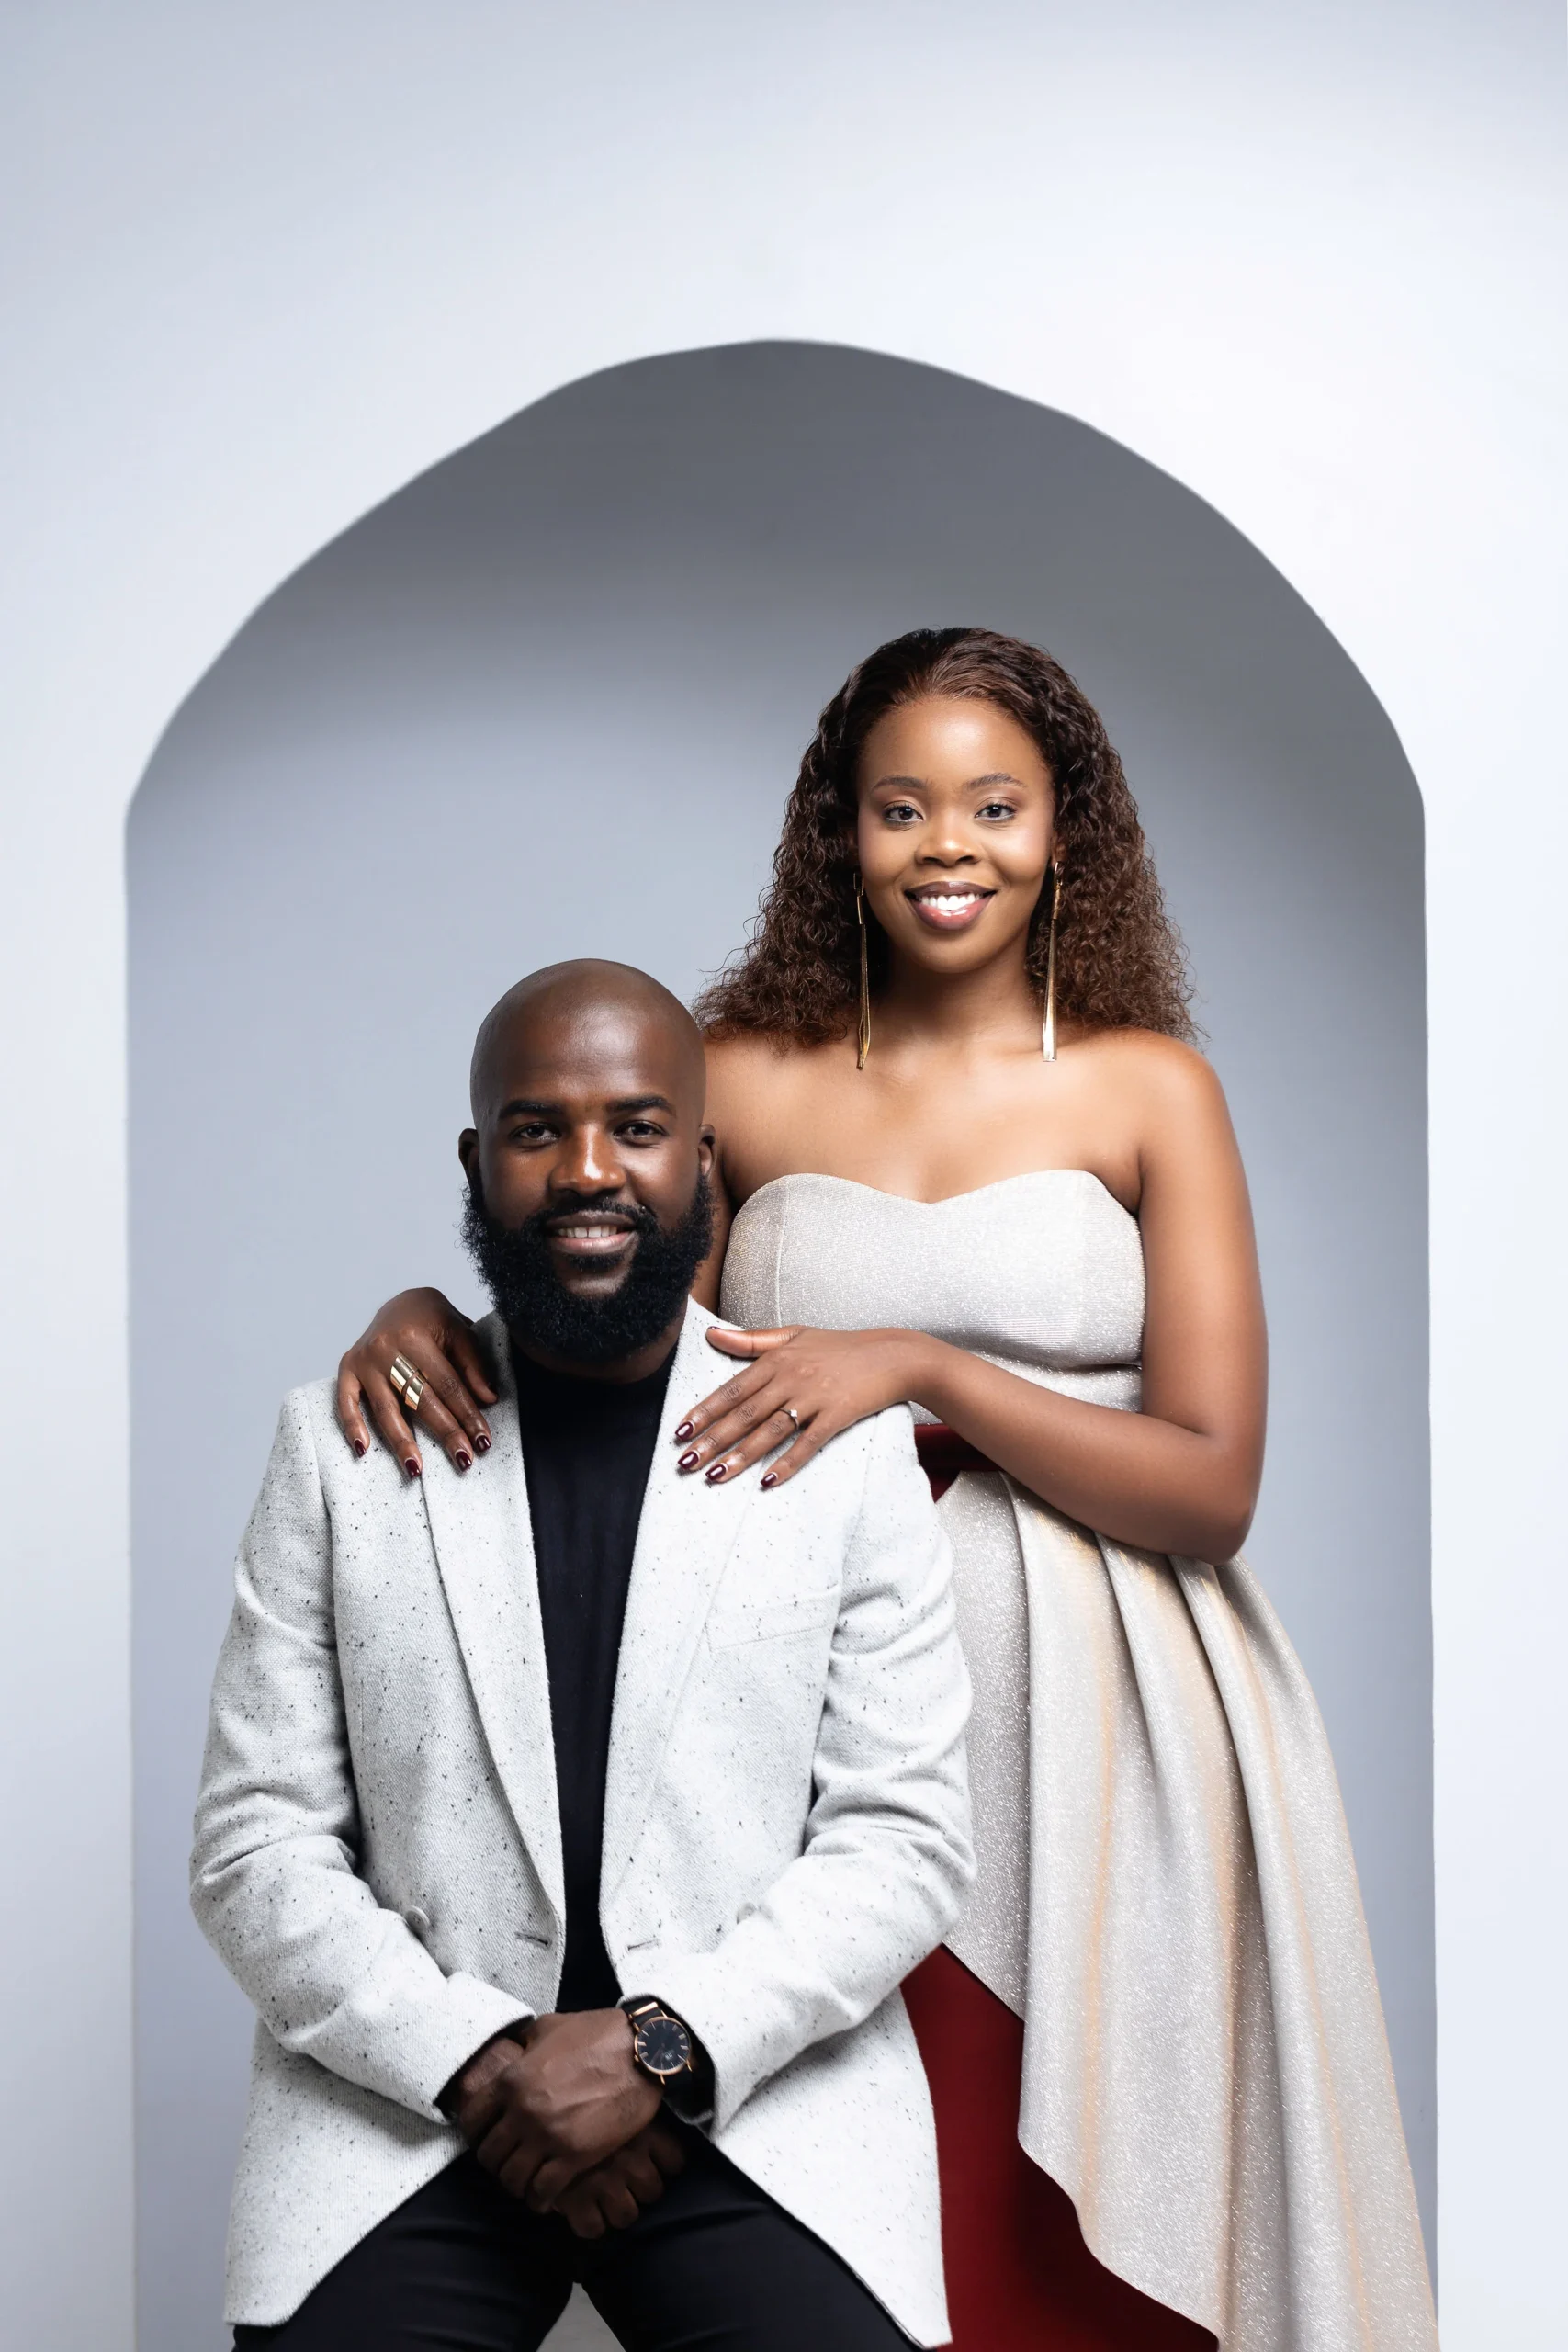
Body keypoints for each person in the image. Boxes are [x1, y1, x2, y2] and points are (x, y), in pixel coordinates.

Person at [336, 629, 1438, 2352]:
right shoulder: (741, 1069)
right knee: (841, 2179)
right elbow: (603, 1321)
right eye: (899, 806)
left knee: (1080, 2227)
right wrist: (430, 1312)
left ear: (1064, 831)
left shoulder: (1151, 1087)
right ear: (837, 833)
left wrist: (923, 1368)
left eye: (996, 806)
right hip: (795, 1707)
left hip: (1109, 1722)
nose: (948, 847)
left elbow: (1213, 1484)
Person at [192, 960, 974, 2350]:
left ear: (703, 1160)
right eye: (537, 1129)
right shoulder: (341, 1444)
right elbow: (255, 1842)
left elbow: (903, 1838)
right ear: (475, 1162)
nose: (589, 1170)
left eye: (637, 1127)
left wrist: (665, 2053)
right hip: (411, 2111)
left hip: (755, 2102)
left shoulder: (842, 1452)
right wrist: (479, 2065)